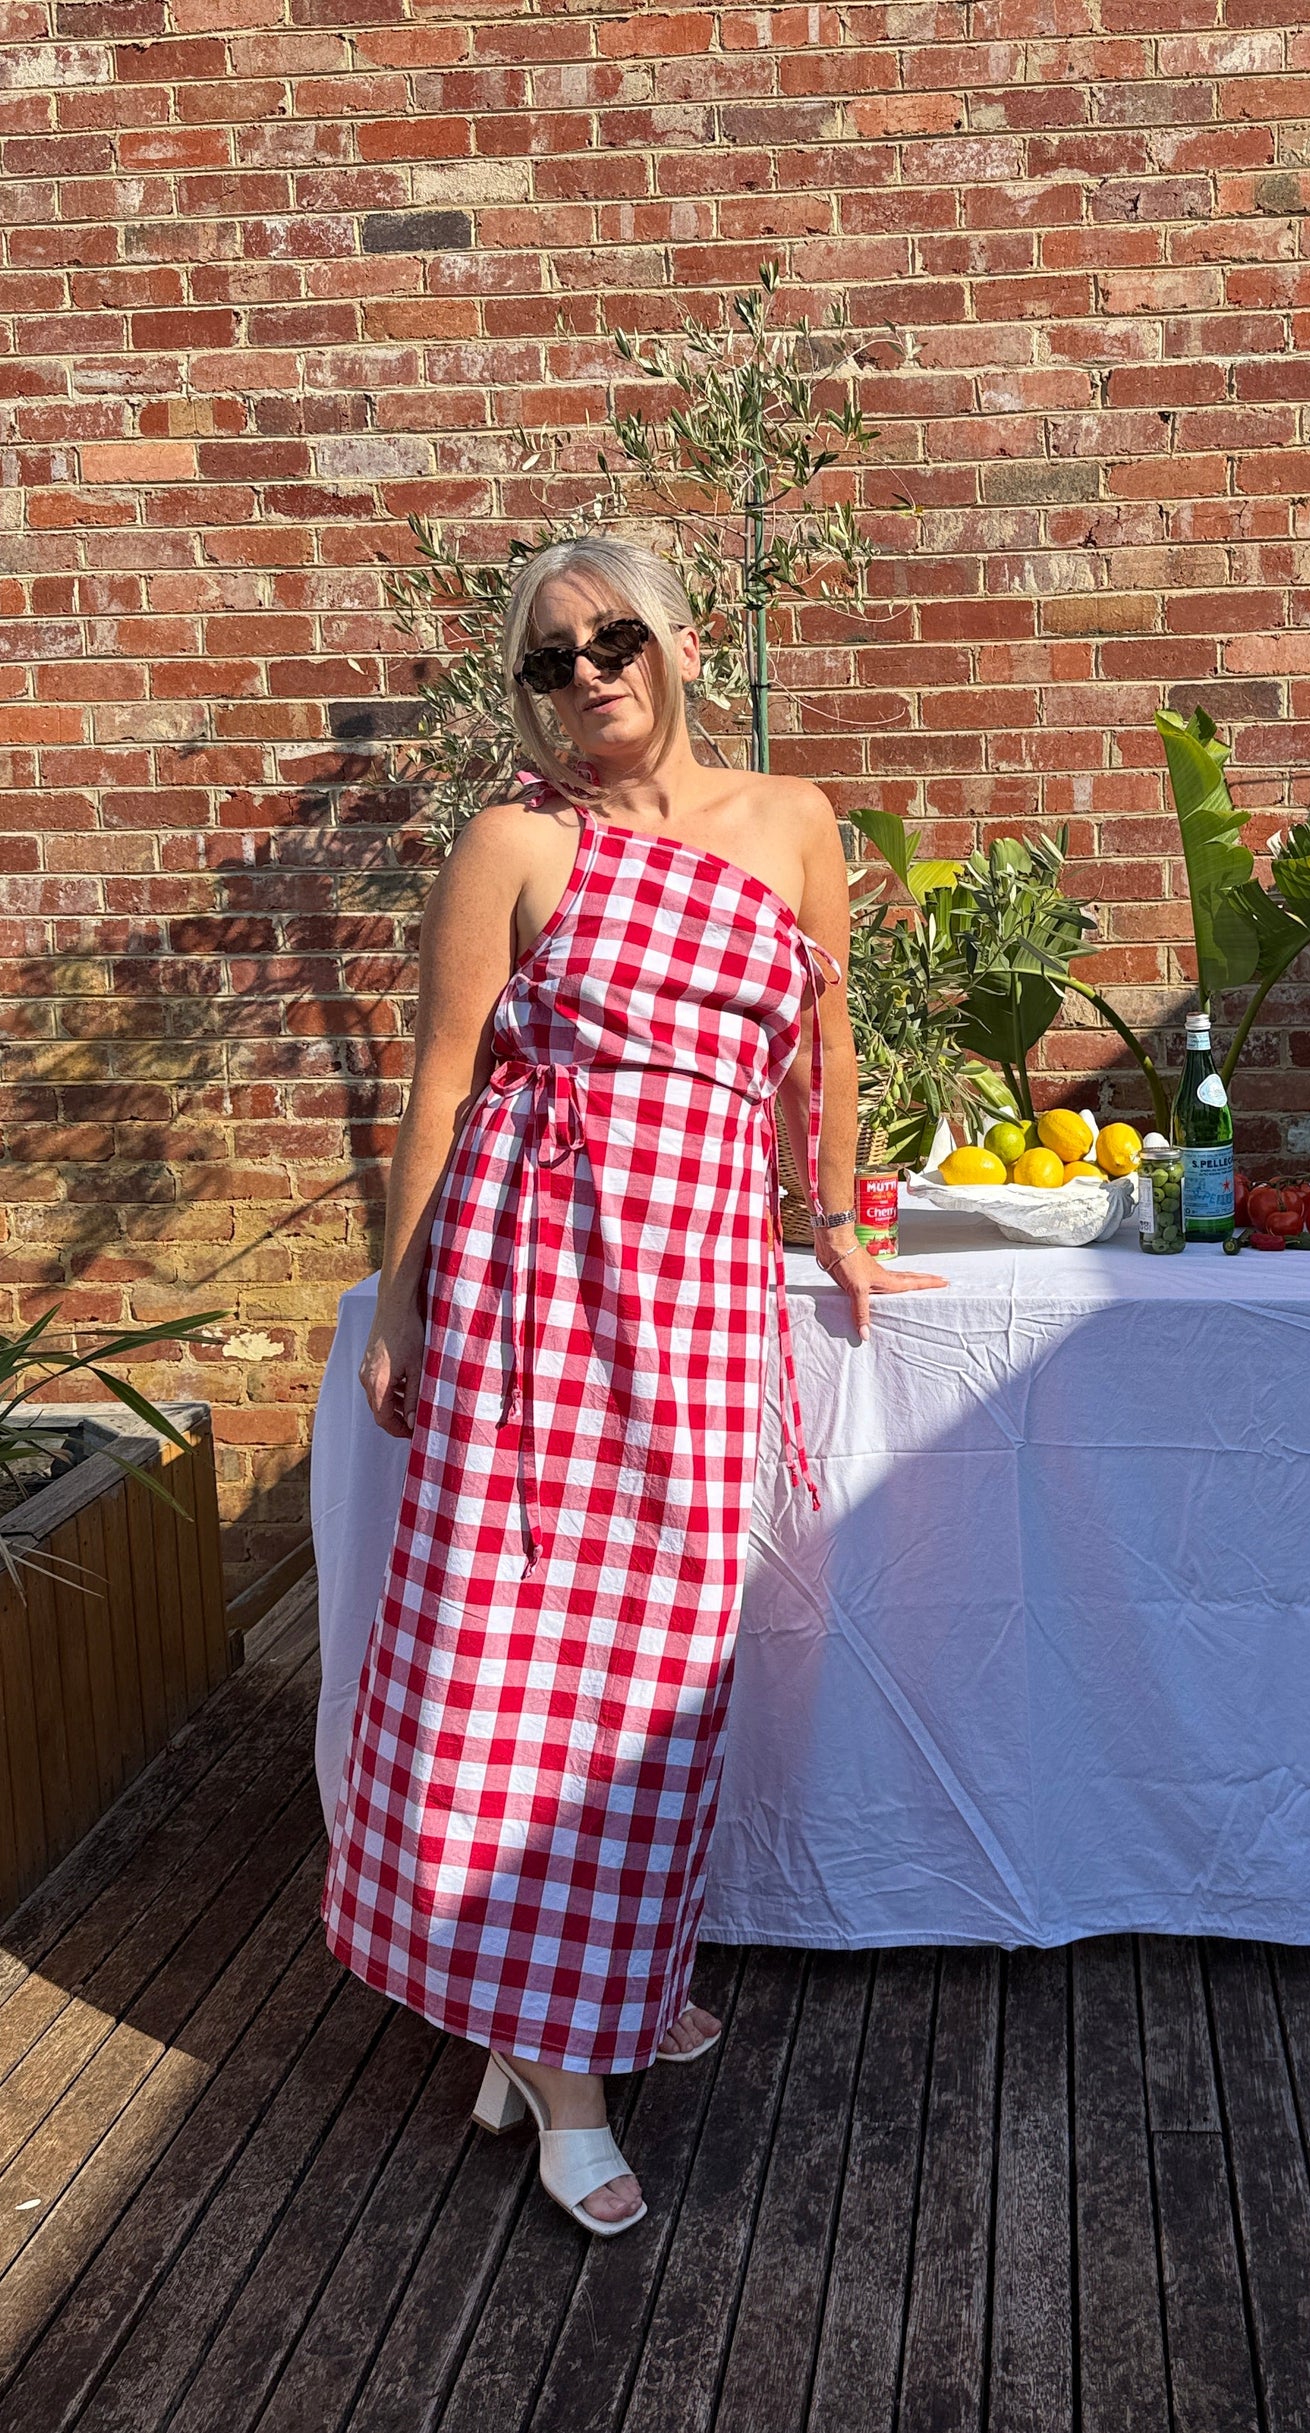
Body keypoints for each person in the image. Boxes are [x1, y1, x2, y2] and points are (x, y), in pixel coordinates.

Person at [322, 536, 946, 2233]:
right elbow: (443, 1083)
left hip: (693, 1303)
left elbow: (822, 1048)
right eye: (548, 658)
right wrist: (399, 1308)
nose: (587, 673)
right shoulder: (516, 842)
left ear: (681, 641)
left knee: (665, 1662)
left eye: (609, 638)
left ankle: (560, 2004)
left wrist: (836, 1221)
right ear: (526, 694)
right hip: (539, 1293)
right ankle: (564, 2077)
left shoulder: (793, 820)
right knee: (526, 1660)